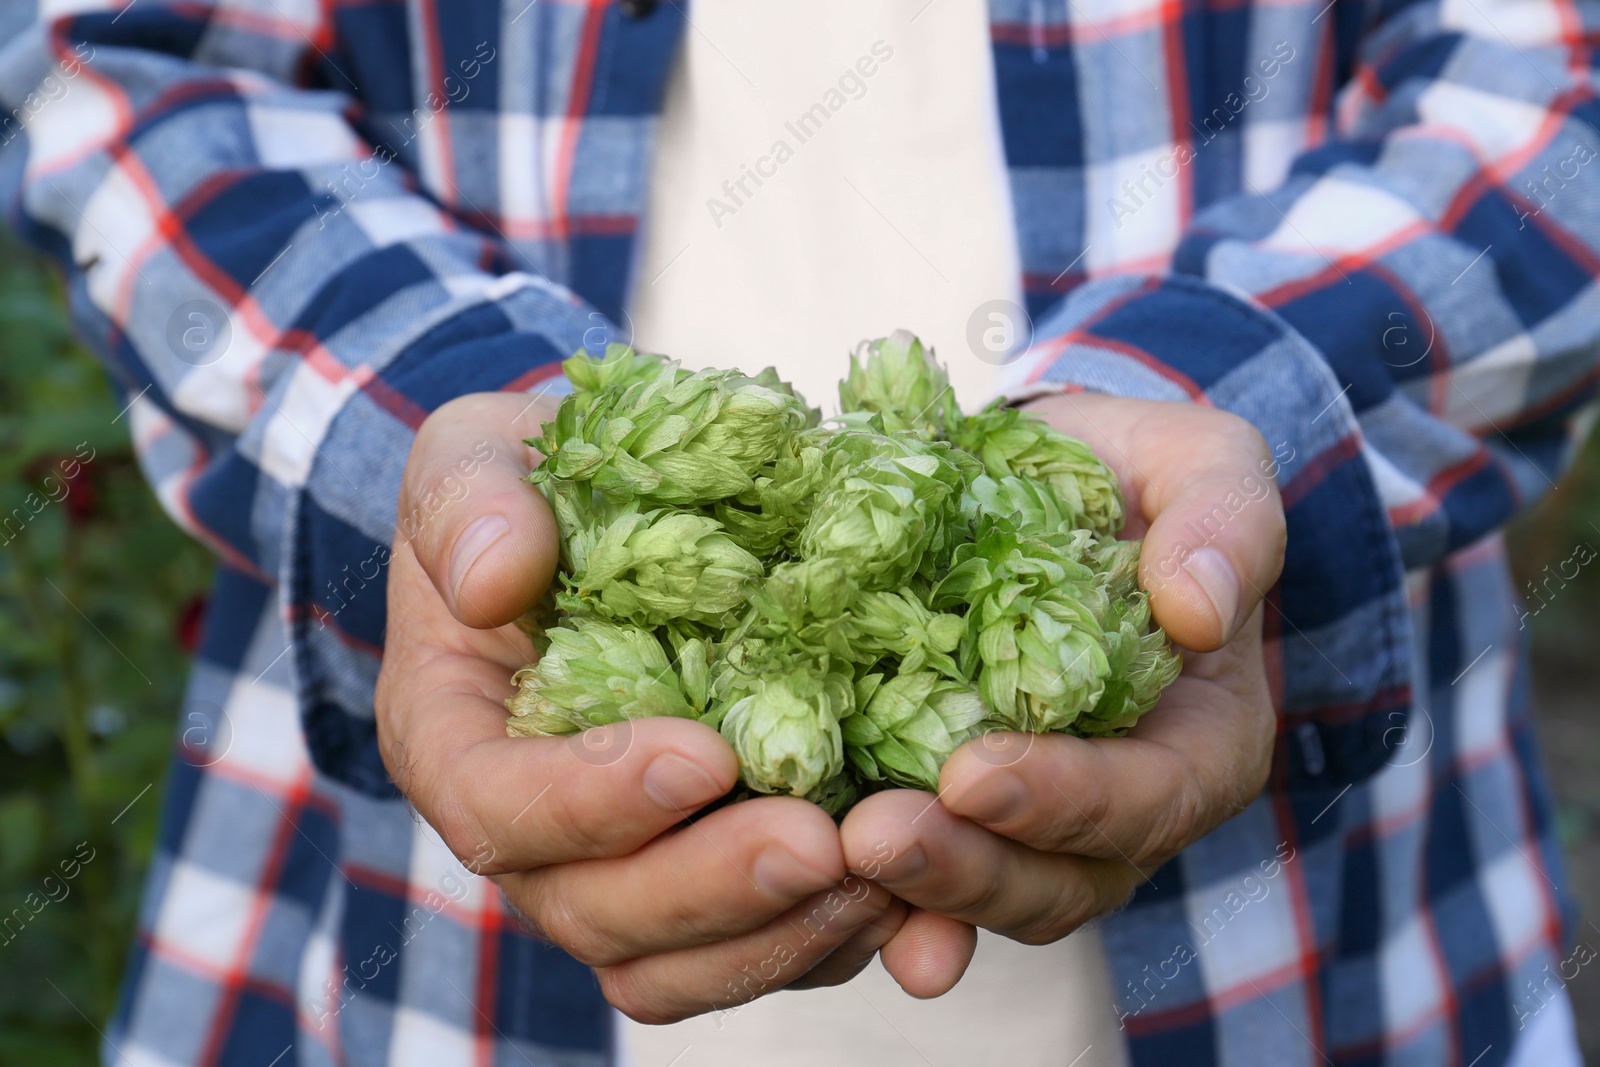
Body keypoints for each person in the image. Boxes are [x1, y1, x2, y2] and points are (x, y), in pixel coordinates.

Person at [1, 0, 1591, 1064]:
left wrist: (1234, 405)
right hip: (419, 948)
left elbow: (1549, 74)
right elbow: (119, 61)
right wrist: (426, 421)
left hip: (1317, 935)